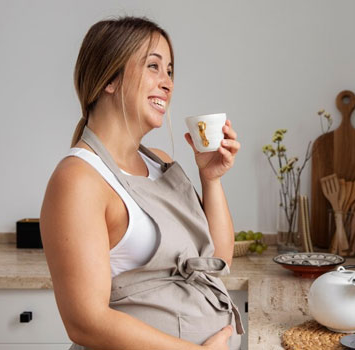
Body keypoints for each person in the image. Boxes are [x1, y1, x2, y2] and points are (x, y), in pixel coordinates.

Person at [40, 16, 243, 350]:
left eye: (170, 71)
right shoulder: (78, 180)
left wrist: (211, 179)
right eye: (154, 66)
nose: (167, 83)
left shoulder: (160, 162)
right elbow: (85, 322)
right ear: (110, 78)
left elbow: (218, 261)